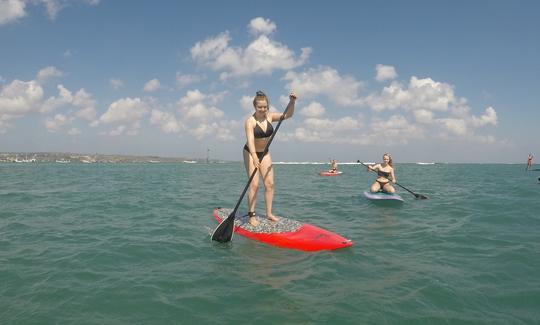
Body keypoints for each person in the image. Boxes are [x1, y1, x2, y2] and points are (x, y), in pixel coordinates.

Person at [243, 90, 296, 226]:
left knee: (270, 184)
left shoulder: (270, 116)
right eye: (260, 107)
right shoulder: (250, 122)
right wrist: (254, 157)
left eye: (265, 107)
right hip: (251, 152)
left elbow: (288, 115)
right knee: (254, 185)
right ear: (255, 107)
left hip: (265, 153)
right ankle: (251, 215)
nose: (262, 109)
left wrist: (292, 102)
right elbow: (250, 141)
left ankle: (269, 213)